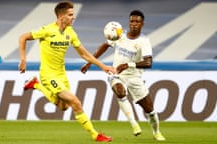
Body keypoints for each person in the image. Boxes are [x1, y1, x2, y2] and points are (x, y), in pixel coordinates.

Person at [18, 1, 114, 142]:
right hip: (48, 75)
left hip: (61, 74)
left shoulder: (70, 32)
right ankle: (95, 135)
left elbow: (84, 53)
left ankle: (36, 85)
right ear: (61, 16)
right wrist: (23, 59)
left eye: (73, 14)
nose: (73, 17)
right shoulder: (47, 30)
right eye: (70, 15)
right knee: (76, 102)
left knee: (63, 106)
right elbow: (23, 37)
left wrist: (102, 66)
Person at [81, 10, 165, 141]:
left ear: (142, 24)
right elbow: (105, 45)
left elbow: (148, 62)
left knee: (150, 111)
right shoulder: (120, 35)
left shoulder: (143, 41)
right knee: (120, 92)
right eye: (132, 21)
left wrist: (127, 65)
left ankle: (156, 132)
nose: (134, 24)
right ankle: (134, 124)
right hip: (117, 74)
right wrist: (89, 63)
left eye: (137, 21)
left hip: (134, 77)